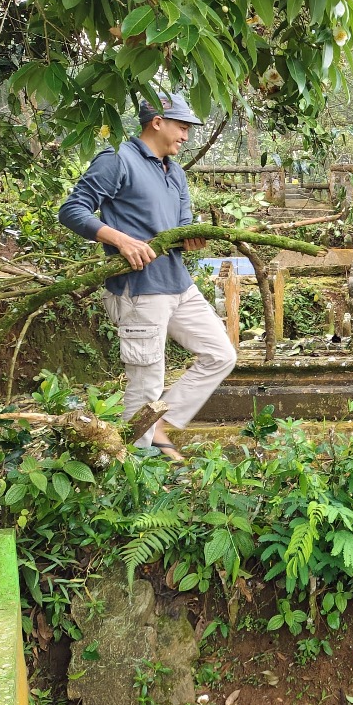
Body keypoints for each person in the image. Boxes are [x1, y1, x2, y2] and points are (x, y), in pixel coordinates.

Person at [58, 94, 235, 459]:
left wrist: (192, 238)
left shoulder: (177, 172)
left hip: (178, 283)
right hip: (139, 289)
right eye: (182, 127)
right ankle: (133, 472)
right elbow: (72, 210)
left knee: (220, 354)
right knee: (146, 384)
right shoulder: (117, 160)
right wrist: (120, 240)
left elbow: (181, 229)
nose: (186, 137)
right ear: (157, 122)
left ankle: (159, 428)